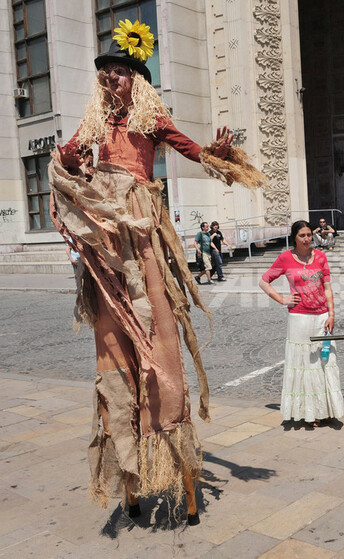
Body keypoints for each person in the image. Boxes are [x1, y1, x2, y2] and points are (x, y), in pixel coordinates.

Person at [48, 20, 266, 524]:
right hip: (107, 242)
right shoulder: (97, 124)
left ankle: (176, 459)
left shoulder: (151, 119)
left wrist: (219, 153)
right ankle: (127, 468)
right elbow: (69, 158)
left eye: (121, 71)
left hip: (142, 234)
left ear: (137, 79)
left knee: (160, 336)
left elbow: (195, 151)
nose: (112, 78)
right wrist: (70, 159)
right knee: (112, 349)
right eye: (107, 72)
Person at [259, 220, 344, 427]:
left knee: (324, 362)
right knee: (304, 364)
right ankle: (309, 413)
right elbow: (263, 281)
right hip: (299, 318)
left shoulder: (321, 256)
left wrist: (332, 314)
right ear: (294, 237)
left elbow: (327, 288)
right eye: (302, 235)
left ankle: (326, 410)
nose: (306, 239)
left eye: (308, 235)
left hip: (322, 316)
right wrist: (282, 299)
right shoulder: (285, 258)